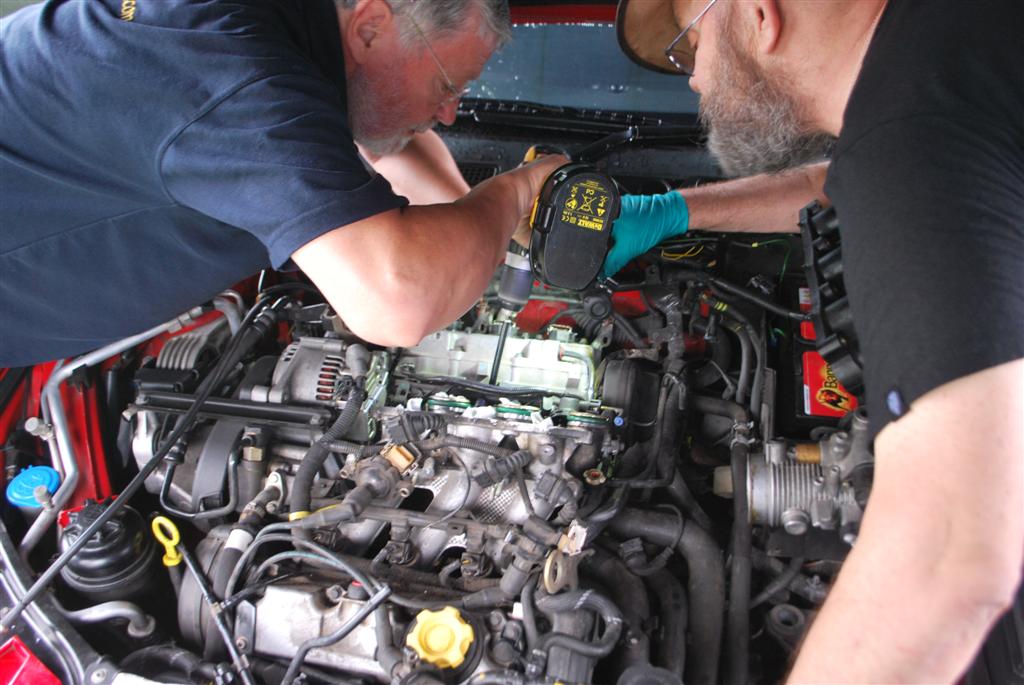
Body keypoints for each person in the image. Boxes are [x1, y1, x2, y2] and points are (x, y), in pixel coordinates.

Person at [609, 0, 1023, 681]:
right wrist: (677, 210)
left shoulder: (914, 141)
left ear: (760, 16)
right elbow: (833, 182)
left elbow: (947, 554)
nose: (694, 79)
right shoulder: (938, 57)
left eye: (690, 46)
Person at [0, 0, 564, 366]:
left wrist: (474, 233)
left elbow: (381, 136)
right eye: (447, 86)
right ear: (370, 27)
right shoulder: (231, 71)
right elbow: (396, 301)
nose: (449, 114)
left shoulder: (287, 34)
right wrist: (515, 192)